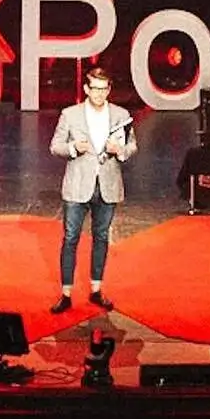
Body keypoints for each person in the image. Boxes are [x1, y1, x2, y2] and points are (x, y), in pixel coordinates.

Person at [50, 67, 136, 312]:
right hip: (78, 185)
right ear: (87, 89)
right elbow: (55, 146)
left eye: (103, 89)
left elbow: (132, 146)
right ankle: (65, 293)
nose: (99, 93)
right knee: (70, 238)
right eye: (94, 88)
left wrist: (119, 150)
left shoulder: (121, 115)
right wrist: (74, 147)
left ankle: (96, 290)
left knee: (101, 237)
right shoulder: (70, 114)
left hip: (107, 185)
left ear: (109, 90)